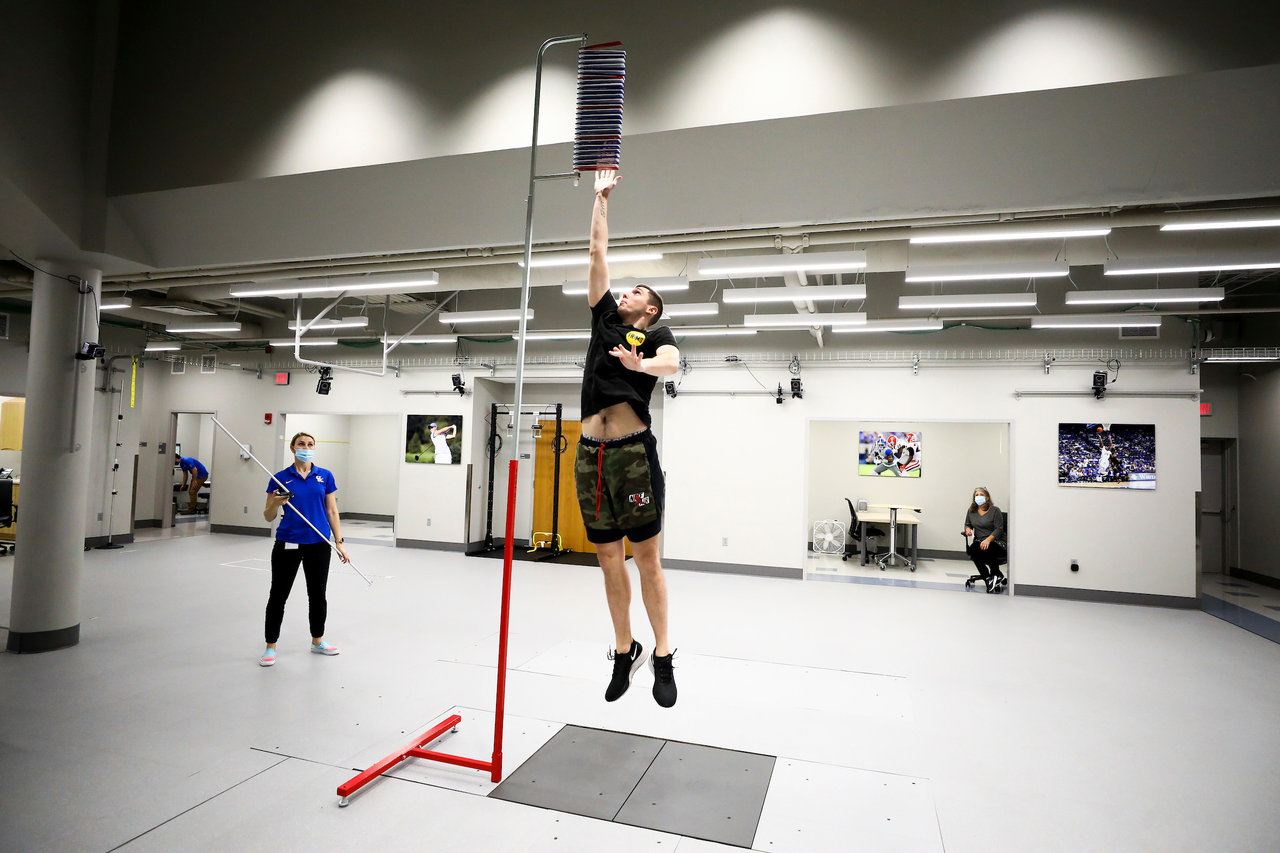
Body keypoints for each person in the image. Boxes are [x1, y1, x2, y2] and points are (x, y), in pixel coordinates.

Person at [574, 169, 681, 708]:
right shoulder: (602, 320)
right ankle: (625, 648)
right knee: (607, 560)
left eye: (639, 291)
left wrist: (646, 362)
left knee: (647, 559)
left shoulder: (654, 334)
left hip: (632, 456)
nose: (628, 291)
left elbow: (672, 363)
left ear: (651, 309)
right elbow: (597, 252)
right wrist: (601, 199)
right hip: (589, 454)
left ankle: (663, 654)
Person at [258, 431, 350, 666]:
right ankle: (270, 647)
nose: (306, 447)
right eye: (301, 444)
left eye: (310, 444)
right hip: (288, 542)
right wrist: (276, 503)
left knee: (317, 595)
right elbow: (268, 516)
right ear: (292, 448)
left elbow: (331, 511)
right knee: (278, 595)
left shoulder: (325, 476)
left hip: (319, 543)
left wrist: (339, 542)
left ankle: (317, 640)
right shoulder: (279, 478)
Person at [963, 486, 1006, 593]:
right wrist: (968, 529)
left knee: (986, 547)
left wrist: (988, 540)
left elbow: (999, 529)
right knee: (973, 549)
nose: (978, 497)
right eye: (976, 495)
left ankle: (995, 573)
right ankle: (988, 578)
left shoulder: (995, 510)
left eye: (981, 495)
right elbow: (967, 524)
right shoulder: (971, 511)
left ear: (987, 498)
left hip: (996, 542)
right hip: (979, 542)